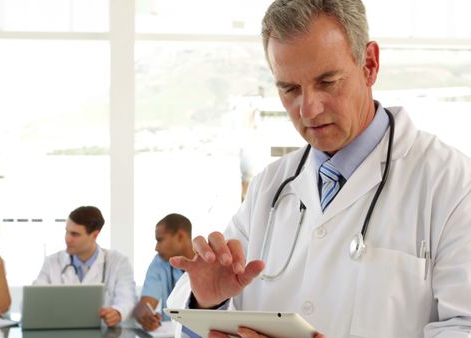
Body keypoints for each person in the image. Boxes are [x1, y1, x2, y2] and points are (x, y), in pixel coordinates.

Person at [169, 1, 471, 337]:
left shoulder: (452, 183)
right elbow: (202, 318)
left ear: (369, 64)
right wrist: (209, 304)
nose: (309, 109)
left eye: (327, 82)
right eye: (290, 89)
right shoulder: (269, 188)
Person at [33, 206, 136, 327]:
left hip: (103, 333)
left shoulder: (118, 262)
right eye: (66, 231)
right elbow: (33, 299)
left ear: (95, 235)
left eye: (75, 234)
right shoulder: (52, 262)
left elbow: (127, 299)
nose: (67, 239)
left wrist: (117, 312)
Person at [133, 213, 194, 331]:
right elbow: (145, 304)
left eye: (160, 240)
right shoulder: (159, 263)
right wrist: (145, 316)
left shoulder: (208, 262)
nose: (156, 248)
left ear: (180, 236)